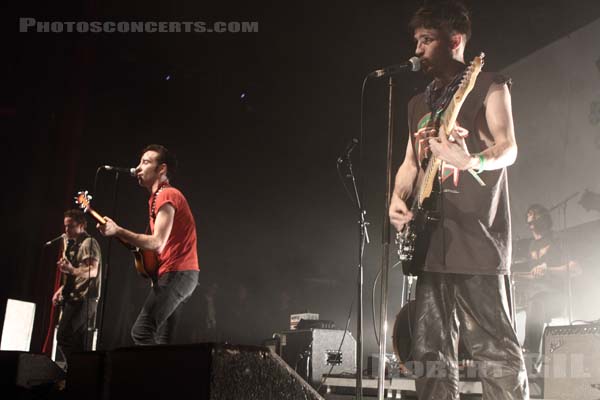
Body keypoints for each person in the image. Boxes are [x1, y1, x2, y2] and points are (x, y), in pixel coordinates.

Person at [388, 1, 528, 398]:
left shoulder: (489, 84)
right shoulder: (418, 103)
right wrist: (397, 198)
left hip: (478, 241)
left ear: (456, 40)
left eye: (427, 40)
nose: (417, 49)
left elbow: (509, 148)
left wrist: (471, 160)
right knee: (430, 353)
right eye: (416, 40)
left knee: (494, 352)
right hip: (431, 243)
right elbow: (409, 164)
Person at [97, 144, 199, 345]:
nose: (138, 168)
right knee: (162, 341)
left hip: (179, 273)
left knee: (142, 332)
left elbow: (157, 242)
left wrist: (118, 230)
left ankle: (153, 376)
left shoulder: (167, 195)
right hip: (178, 274)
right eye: (139, 162)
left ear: (162, 169)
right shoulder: (156, 197)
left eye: (145, 162)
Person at [520, 204, 580, 356]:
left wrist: (548, 270)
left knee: (536, 302)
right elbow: (534, 274)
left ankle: (530, 353)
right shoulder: (531, 245)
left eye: (536, 214)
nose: (531, 216)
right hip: (534, 296)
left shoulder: (558, 240)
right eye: (529, 214)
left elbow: (576, 269)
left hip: (556, 297)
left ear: (545, 219)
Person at [52, 209, 101, 367]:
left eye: (71, 226)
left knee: (64, 337)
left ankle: (75, 370)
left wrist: (71, 269)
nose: (67, 230)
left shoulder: (89, 243)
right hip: (75, 297)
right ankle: (78, 373)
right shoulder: (75, 244)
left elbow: (92, 271)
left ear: (82, 226)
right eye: (65, 226)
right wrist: (60, 290)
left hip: (84, 299)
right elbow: (75, 275)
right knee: (75, 342)